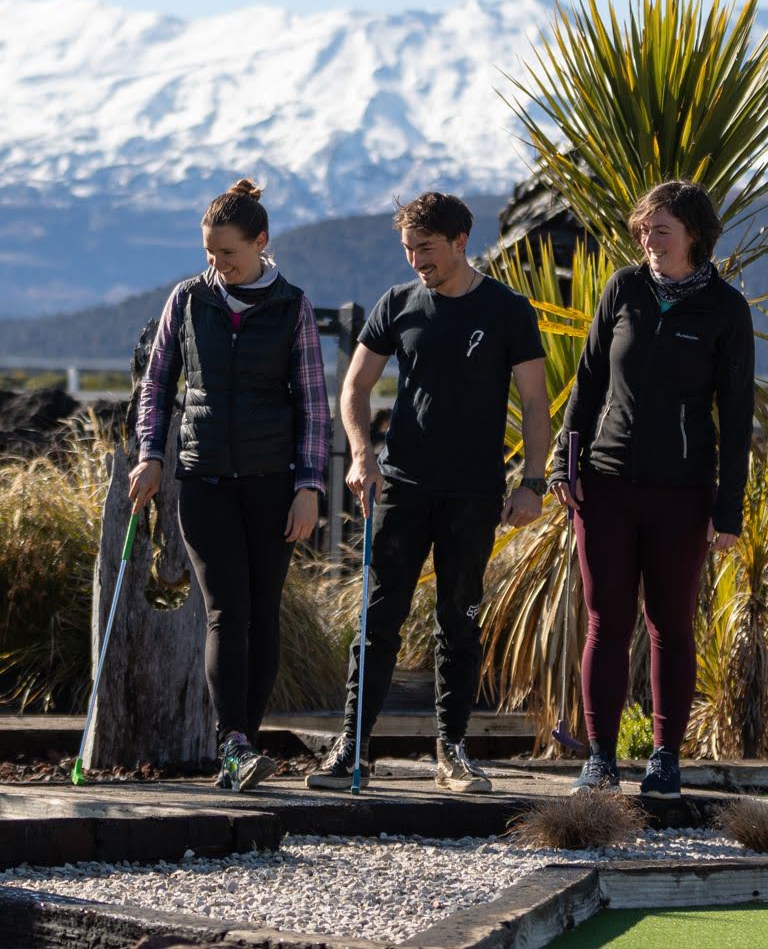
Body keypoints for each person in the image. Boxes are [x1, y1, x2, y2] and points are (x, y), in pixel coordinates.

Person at [304, 193, 548, 793]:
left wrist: (534, 482)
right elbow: (354, 389)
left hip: (473, 494)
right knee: (378, 618)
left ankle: (454, 751)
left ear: (461, 240)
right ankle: (351, 748)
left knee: (458, 621)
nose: (417, 261)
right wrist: (362, 457)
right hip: (402, 487)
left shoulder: (507, 309)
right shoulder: (399, 304)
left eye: (427, 249)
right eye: (409, 249)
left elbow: (537, 403)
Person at [551, 180, 753, 799]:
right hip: (605, 486)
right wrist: (566, 463)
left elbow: (737, 414)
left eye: (660, 230)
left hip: (682, 493)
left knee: (669, 623)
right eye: (642, 231)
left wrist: (728, 510)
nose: (648, 241)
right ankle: (602, 760)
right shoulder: (623, 289)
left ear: (694, 233)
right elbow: (586, 385)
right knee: (605, 620)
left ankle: (665, 759)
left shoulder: (724, 308)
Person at [130, 178, 330, 791]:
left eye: (229, 255)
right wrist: (151, 456)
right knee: (226, 610)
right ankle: (235, 744)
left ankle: (247, 735)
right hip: (204, 477)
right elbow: (158, 383)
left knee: (262, 612)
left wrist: (310, 486)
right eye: (210, 254)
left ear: (261, 243)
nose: (217, 266)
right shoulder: (189, 300)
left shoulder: (292, 306)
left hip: (273, 485)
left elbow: (313, 404)